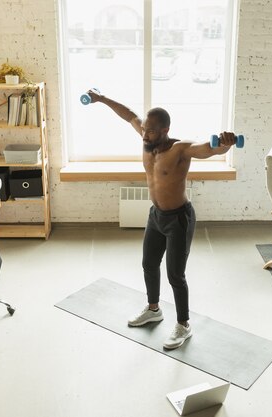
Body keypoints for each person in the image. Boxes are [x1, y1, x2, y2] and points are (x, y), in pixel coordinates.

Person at [87, 90, 237, 349]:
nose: (144, 135)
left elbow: (207, 149)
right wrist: (102, 99)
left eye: (151, 132)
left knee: (176, 275)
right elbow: (129, 116)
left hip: (179, 219)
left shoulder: (180, 149)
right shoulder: (147, 140)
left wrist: (224, 144)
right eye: (144, 130)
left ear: (166, 130)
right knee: (148, 264)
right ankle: (153, 309)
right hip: (156, 215)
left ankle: (183, 325)